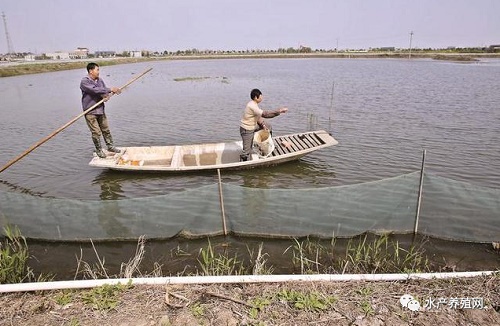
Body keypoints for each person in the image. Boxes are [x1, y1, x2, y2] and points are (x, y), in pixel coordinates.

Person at [80, 62, 121, 158]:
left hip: (100, 109)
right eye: (97, 70)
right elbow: (95, 90)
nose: (98, 72)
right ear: (91, 71)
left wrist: (105, 96)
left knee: (106, 129)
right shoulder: (85, 81)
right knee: (96, 132)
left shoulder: (100, 80)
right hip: (90, 111)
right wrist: (110, 89)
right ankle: (99, 150)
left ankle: (110, 146)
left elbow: (102, 91)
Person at [239, 88, 288, 161]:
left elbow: (258, 117)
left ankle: (268, 145)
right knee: (246, 151)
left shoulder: (254, 104)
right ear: (256, 97)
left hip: (253, 126)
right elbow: (265, 114)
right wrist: (279, 111)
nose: (262, 98)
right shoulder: (252, 105)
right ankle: (243, 164)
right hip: (247, 129)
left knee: (268, 126)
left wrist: (263, 126)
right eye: (261, 96)